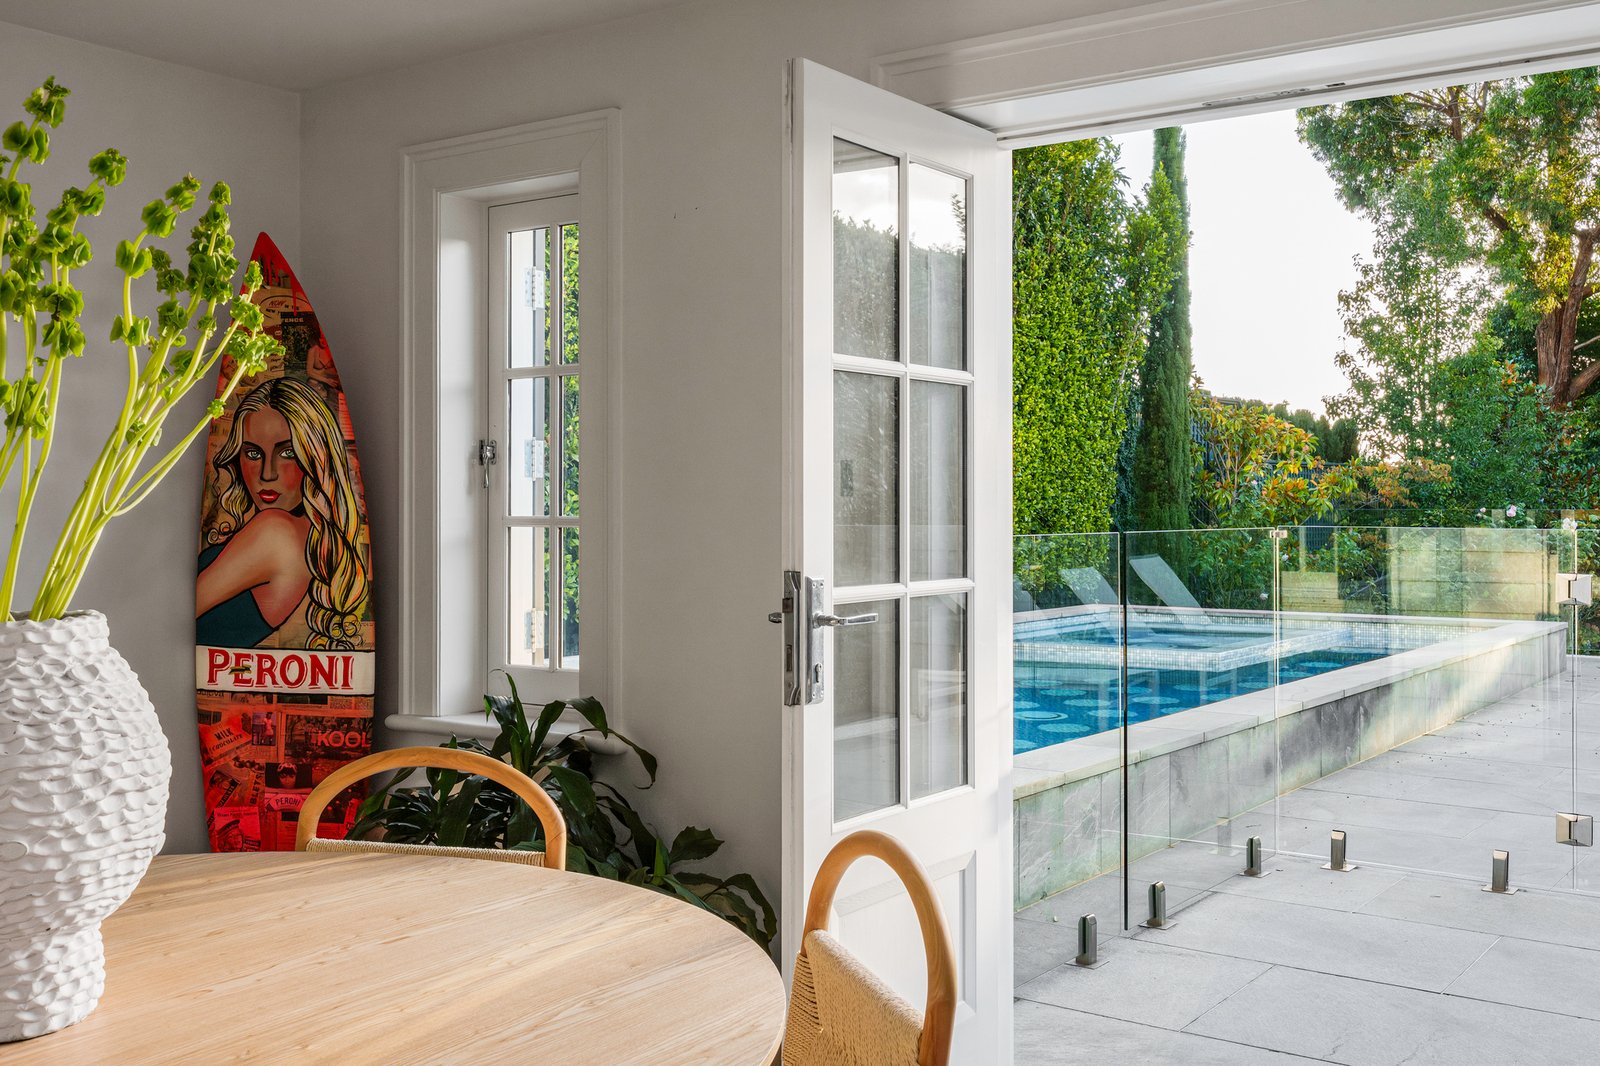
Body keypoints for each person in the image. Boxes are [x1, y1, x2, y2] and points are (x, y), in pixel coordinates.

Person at [197, 377, 369, 651]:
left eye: (287, 452)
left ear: (316, 456)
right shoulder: (309, 541)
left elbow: (173, 615)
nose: (268, 474)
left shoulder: (275, 531)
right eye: (253, 454)